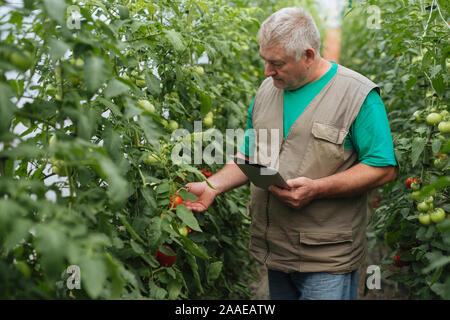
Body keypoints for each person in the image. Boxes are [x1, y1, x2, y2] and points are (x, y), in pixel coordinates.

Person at [183, 7, 397, 300]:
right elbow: (249, 156)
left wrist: (317, 189)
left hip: (327, 258)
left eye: (277, 63)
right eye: (265, 61)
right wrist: (212, 186)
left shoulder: (357, 95)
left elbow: (382, 167)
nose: (267, 71)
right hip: (276, 251)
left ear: (308, 55)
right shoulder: (267, 91)